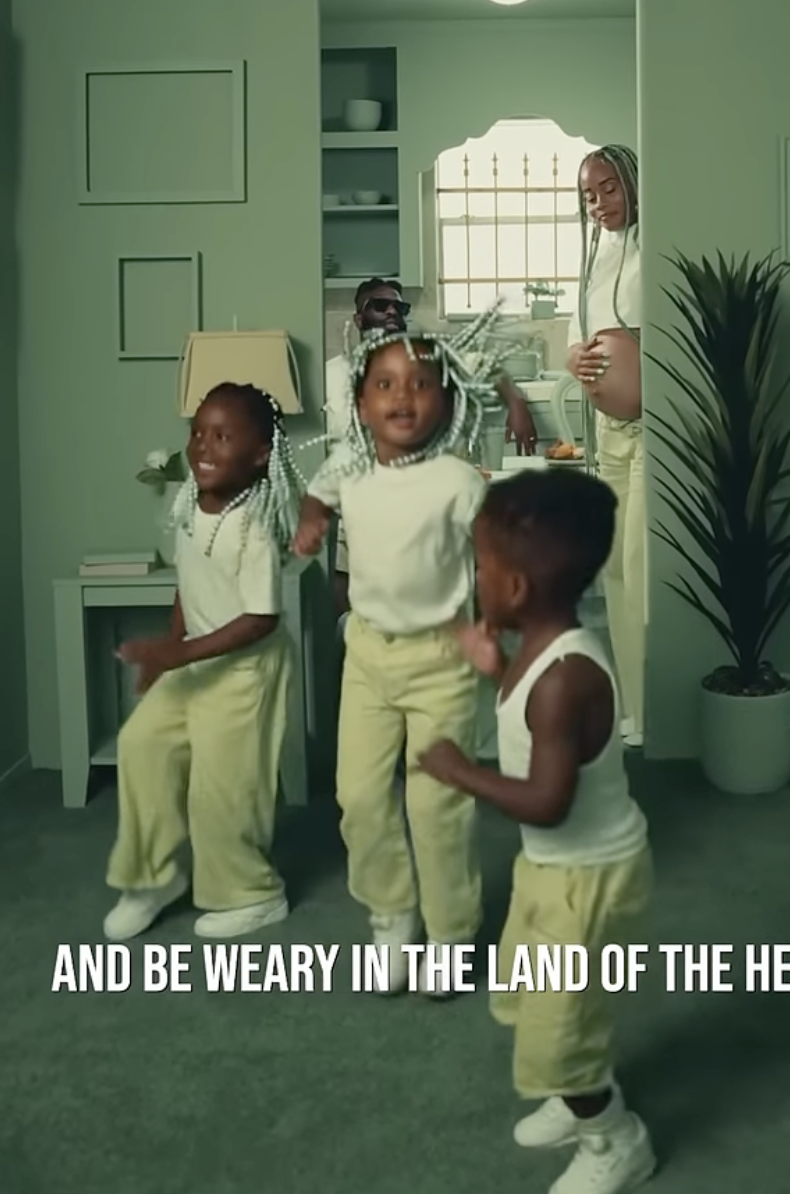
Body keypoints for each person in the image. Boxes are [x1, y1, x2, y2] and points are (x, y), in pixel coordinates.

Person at [418, 469, 655, 1194]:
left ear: (515, 589)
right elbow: (531, 731)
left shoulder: (564, 679)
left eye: (481, 566)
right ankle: (572, 1087)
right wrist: (495, 672)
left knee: (561, 1031)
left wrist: (459, 771)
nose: (475, 578)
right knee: (540, 997)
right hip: (553, 870)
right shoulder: (544, 653)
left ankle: (615, 1138)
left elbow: (546, 799)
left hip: (585, 878)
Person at [293, 307, 508, 996]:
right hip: (367, 660)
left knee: (436, 803)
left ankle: (449, 933)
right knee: (357, 795)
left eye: (419, 383)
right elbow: (316, 499)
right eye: (384, 385)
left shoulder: (457, 481)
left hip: (441, 661)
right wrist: (310, 524)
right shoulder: (347, 467)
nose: (402, 397)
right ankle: (392, 914)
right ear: (361, 402)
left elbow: (494, 563)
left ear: (445, 398)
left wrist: (487, 627)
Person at [103, 383, 305, 942]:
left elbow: (260, 618)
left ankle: (252, 893)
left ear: (260, 454)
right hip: (195, 659)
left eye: (223, 436)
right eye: (197, 433)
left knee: (221, 786)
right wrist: (172, 654)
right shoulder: (191, 499)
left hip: (246, 671)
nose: (203, 447)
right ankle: (153, 877)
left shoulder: (255, 521)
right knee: (141, 743)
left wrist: (177, 652)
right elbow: (189, 586)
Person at [324, 277, 539, 616]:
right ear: (358, 319)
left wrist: (517, 404)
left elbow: (487, 367)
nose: (392, 311)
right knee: (345, 602)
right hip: (355, 512)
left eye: (399, 306)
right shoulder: (332, 376)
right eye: (380, 306)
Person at [565, 146, 645, 748]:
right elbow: (578, 342)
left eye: (610, 188)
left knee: (643, 568)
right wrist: (575, 358)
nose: (599, 204)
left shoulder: (657, 245)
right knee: (615, 569)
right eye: (590, 194)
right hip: (609, 435)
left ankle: (654, 709)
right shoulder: (594, 258)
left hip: (652, 435)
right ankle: (635, 706)